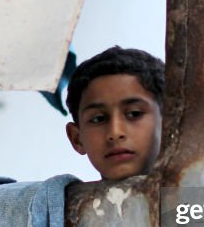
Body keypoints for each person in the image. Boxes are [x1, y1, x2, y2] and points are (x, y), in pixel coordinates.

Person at [64, 46, 164, 180]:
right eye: (98, 119)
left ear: (169, 126)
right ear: (76, 139)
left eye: (134, 114)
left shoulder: (194, 197)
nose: (115, 133)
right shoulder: (62, 200)